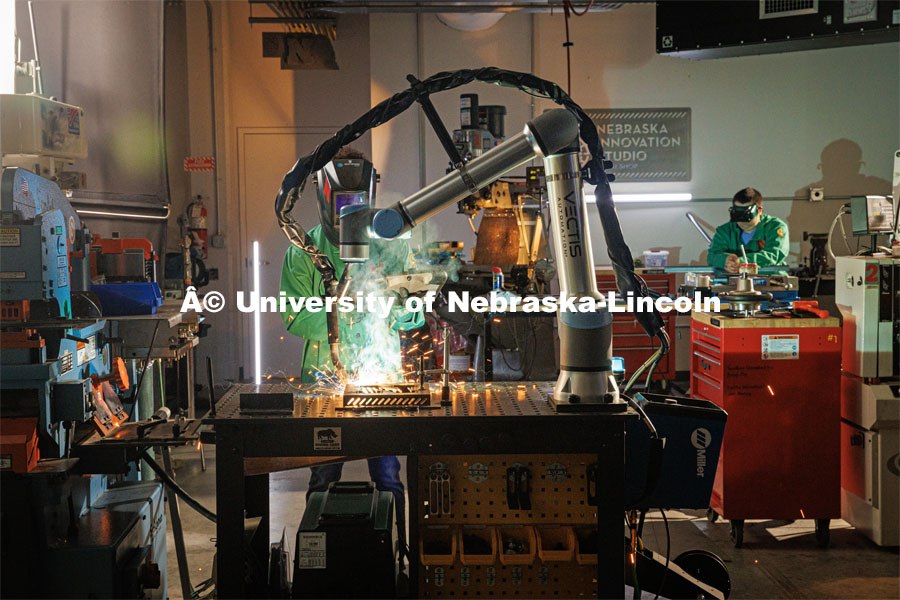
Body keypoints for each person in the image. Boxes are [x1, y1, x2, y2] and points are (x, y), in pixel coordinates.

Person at [279, 148, 422, 550]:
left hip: (384, 383)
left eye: (357, 203)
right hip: (327, 385)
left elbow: (412, 312)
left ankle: (399, 559)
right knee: (323, 477)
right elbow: (292, 315)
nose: (349, 212)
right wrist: (342, 318)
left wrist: (405, 310)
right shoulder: (303, 249)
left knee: (389, 478)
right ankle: (315, 561)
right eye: (343, 203)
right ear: (324, 196)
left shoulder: (392, 245)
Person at [708, 187, 789, 274]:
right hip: (735, 283)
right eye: (737, 215)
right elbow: (712, 256)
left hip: (772, 281)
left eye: (746, 215)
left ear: (760, 211)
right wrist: (725, 259)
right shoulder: (725, 231)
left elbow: (773, 254)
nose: (741, 220)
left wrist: (741, 262)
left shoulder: (775, 227)